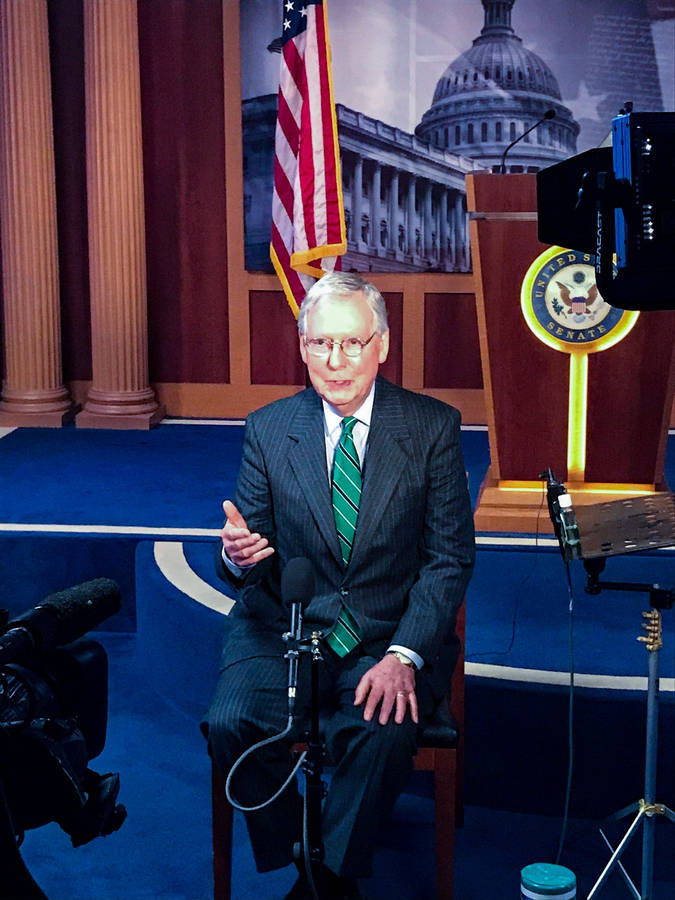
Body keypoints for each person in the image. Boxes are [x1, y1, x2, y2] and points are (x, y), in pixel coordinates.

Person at [203, 272, 475, 900]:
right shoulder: (269, 428)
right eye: (322, 344)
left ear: (382, 345)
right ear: (303, 349)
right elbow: (251, 548)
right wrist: (238, 556)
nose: (337, 361)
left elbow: (448, 560)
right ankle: (302, 858)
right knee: (230, 723)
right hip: (284, 629)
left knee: (381, 730)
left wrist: (406, 655)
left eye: (353, 344)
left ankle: (329, 876)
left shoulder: (432, 427)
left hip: (384, 635)